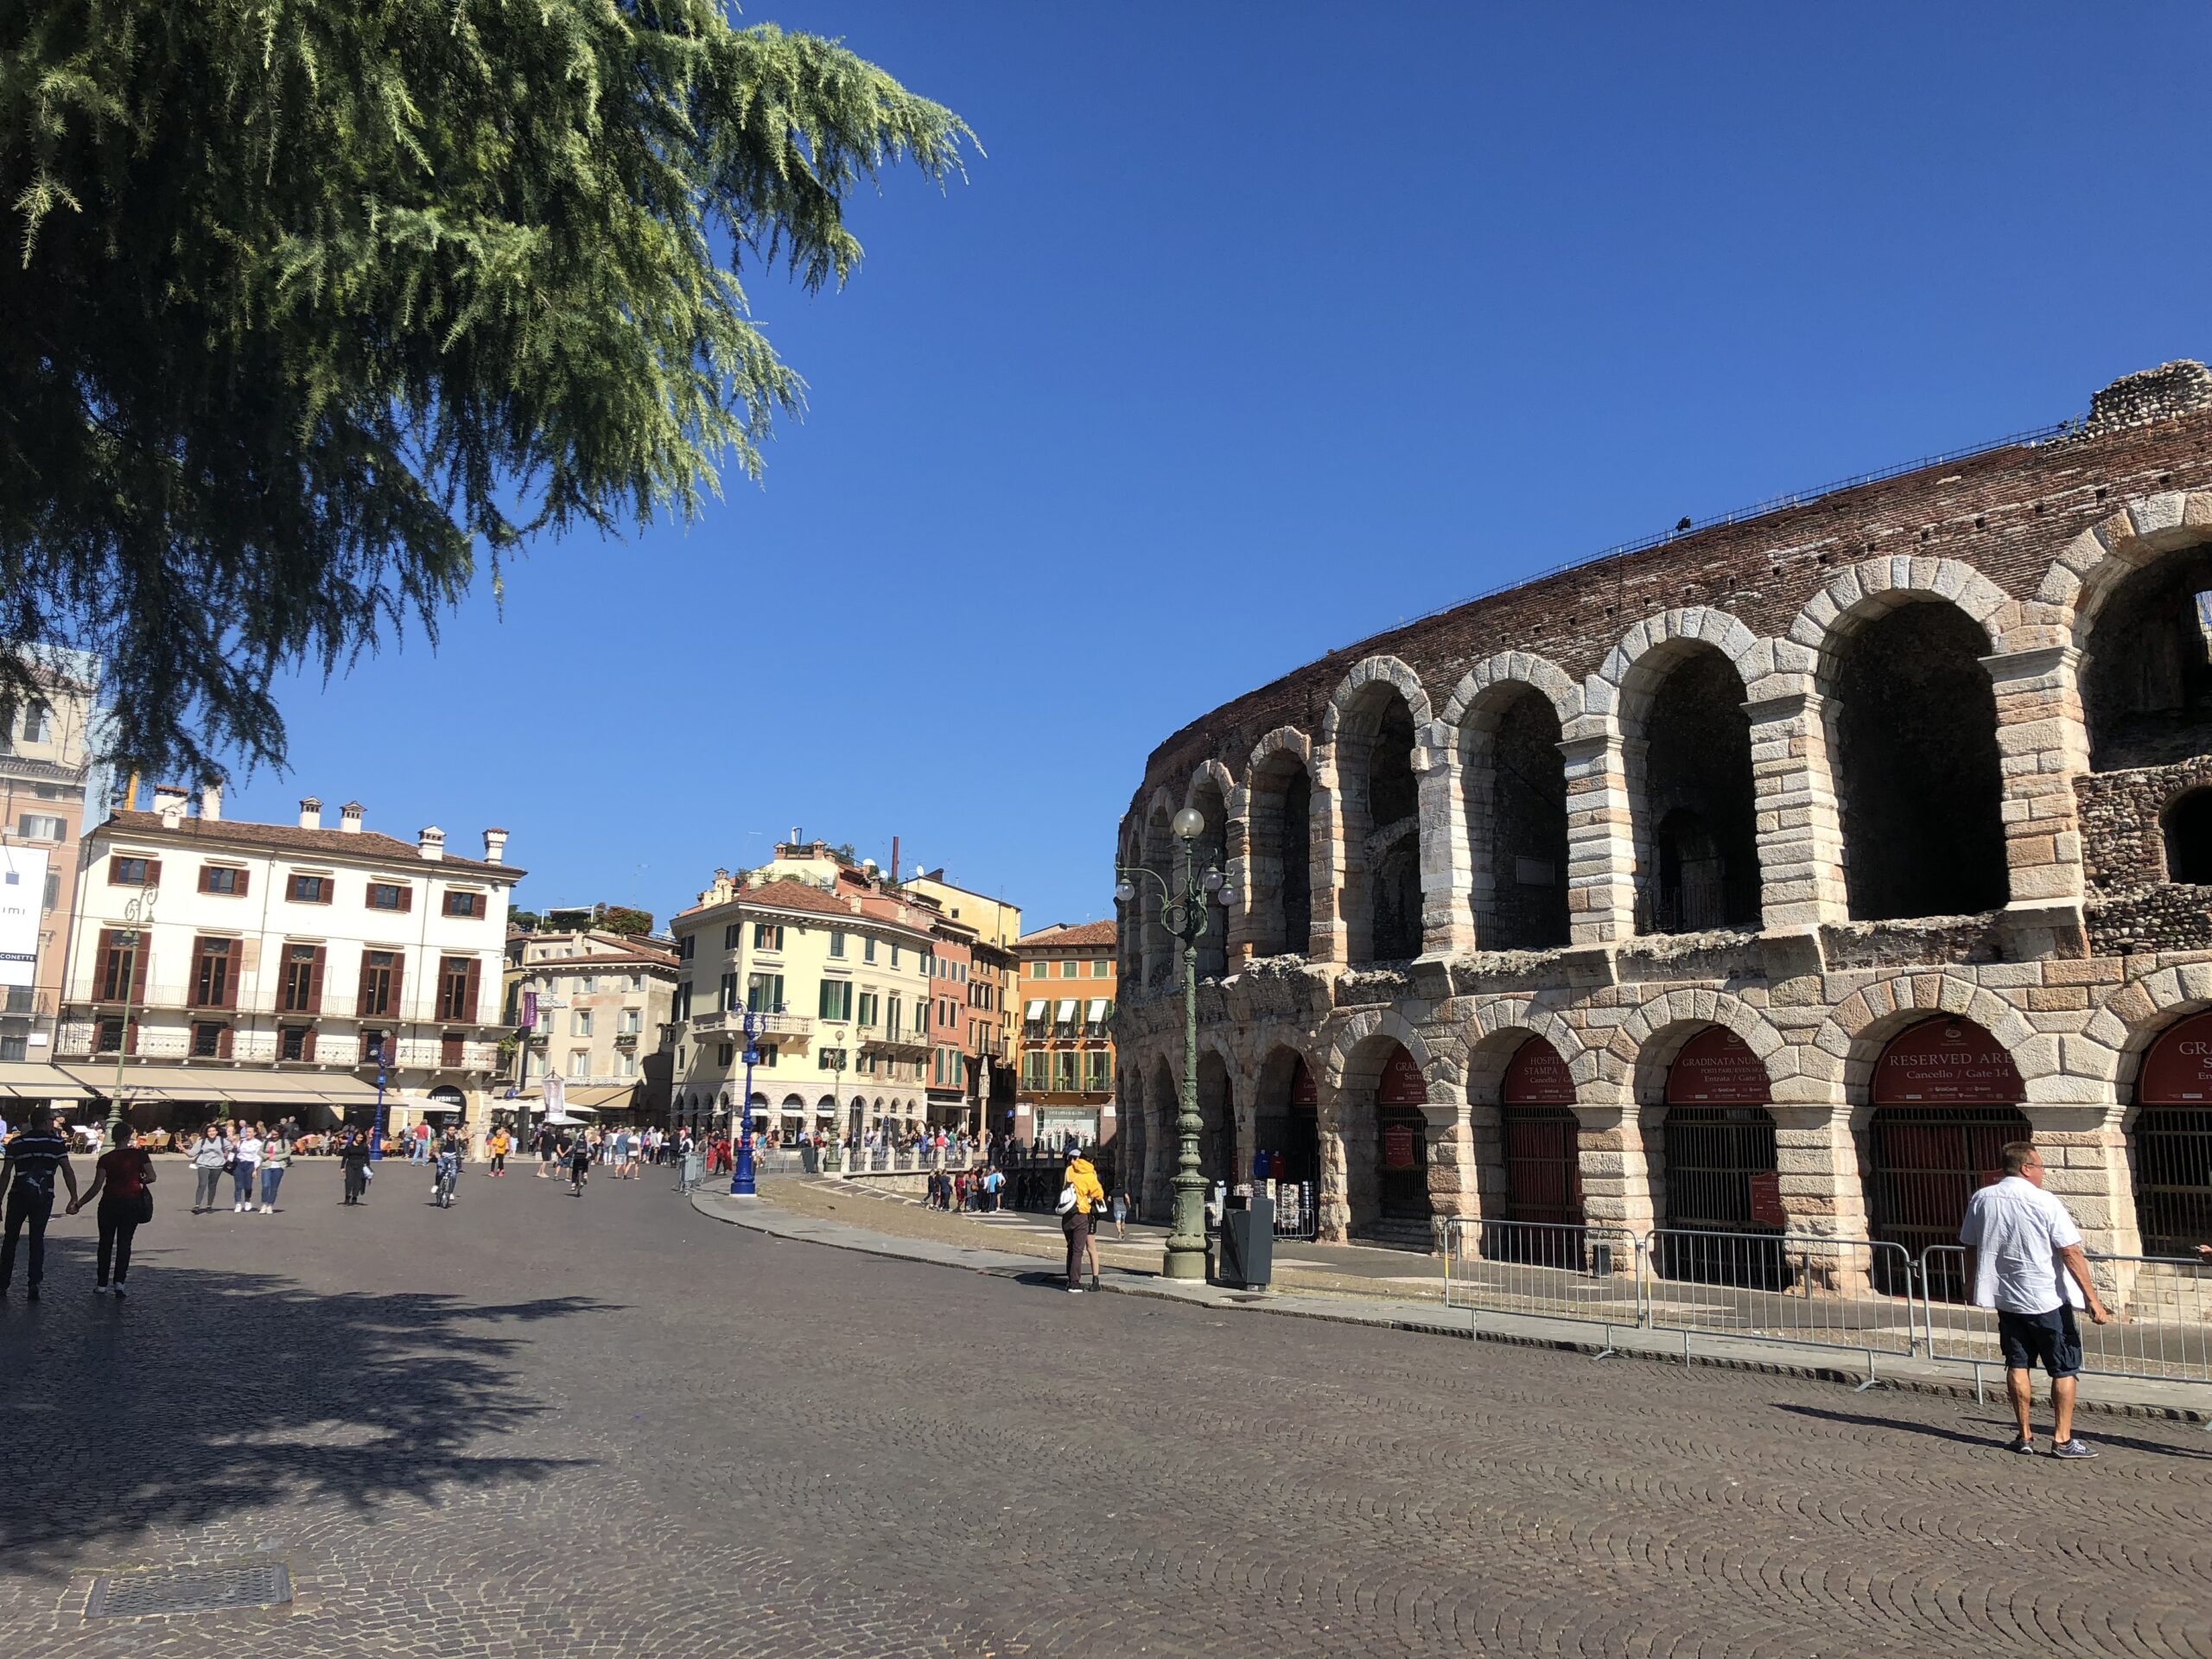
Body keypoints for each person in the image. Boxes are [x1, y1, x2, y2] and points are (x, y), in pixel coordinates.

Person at [1959, 1141, 2113, 1458]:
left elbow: (1970, 1246)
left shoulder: (1982, 1198)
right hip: (2047, 1298)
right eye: (2041, 1167)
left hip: (2007, 1297)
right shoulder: (2044, 1201)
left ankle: (2025, 1435)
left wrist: (1970, 1284)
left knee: (2017, 1364)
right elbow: (2070, 1251)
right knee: (2064, 1368)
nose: (2044, 1173)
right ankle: (2062, 1439)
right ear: (2026, 1168)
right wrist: (2092, 1300)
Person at [0, 1106, 80, 1300]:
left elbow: (6, 1174)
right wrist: (73, 1197)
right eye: (52, 1120)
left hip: (18, 1195)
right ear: (45, 1122)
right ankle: (34, 1282)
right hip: (44, 1196)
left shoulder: (17, 1143)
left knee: (10, 1239)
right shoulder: (56, 1143)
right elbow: (67, 1171)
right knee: (37, 1239)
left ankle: (3, 1283)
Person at [68, 1121, 154, 1294]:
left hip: (109, 1203)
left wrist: (79, 1204)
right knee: (125, 1243)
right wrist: (140, 1180)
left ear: (113, 1137)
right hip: (131, 1202)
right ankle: (119, 1282)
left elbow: (97, 1186)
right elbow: (152, 1176)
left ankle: (101, 1284)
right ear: (128, 1136)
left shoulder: (106, 1159)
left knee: (105, 1243)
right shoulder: (139, 1155)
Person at [1057, 1146, 1106, 1294]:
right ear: (1092, 1160)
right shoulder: (1090, 1175)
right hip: (1080, 1213)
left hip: (1066, 1214)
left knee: (1070, 1248)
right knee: (1078, 1250)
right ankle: (1074, 1283)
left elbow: (1065, 1185)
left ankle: (1069, 1279)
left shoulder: (1069, 1170)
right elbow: (1099, 1193)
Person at [190, 1124, 230, 1213]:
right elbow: (191, 1153)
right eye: (209, 1131)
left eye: (213, 1131)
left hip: (218, 1165)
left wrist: (228, 1153)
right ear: (206, 1133)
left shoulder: (222, 1140)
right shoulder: (202, 1141)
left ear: (217, 1132)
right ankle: (197, 1205)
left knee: (212, 1185)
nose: (211, 1133)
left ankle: (209, 1205)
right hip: (203, 1164)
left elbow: (232, 1149)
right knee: (202, 1184)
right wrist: (183, 1149)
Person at [231, 1122, 264, 1212]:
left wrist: (255, 1169)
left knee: (248, 1185)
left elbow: (258, 1157)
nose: (247, 1133)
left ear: (255, 1133)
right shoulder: (241, 1141)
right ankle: (238, 1203)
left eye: (249, 1132)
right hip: (239, 1164)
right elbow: (234, 1151)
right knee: (238, 1185)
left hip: (250, 1164)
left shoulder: (258, 1143)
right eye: (247, 1132)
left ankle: (247, 1200)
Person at [258, 1126, 293, 1212]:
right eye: (273, 1134)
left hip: (278, 1166)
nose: (274, 1136)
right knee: (265, 1185)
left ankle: (270, 1205)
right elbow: (259, 1151)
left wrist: (276, 1157)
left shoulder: (284, 1142)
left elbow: (287, 1153)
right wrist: (267, 1156)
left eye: (276, 1134)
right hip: (267, 1166)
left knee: (274, 1187)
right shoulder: (266, 1141)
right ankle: (264, 1204)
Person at [339, 1128, 372, 1205]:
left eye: (361, 1138)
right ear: (355, 1137)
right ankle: (347, 1197)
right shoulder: (349, 1146)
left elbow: (367, 1158)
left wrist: (368, 1167)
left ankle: (355, 1197)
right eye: (358, 1137)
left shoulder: (364, 1146)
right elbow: (345, 1157)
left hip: (360, 1164)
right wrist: (342, 1167)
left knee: (358, 1182)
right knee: (349, 1181)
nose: (360, 1139)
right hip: (350, 1164)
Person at [568, 1130, 593, 1196]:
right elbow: (593, 1150)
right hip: (584, 1159)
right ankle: (585, 1174)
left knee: (574, 1171)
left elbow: (571, 1150)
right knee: (586, 1164)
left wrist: (570, 1155)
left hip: (577, 1159)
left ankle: (573, 1184)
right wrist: (593, 1156)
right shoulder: (587, 1143)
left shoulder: (576, 1143)